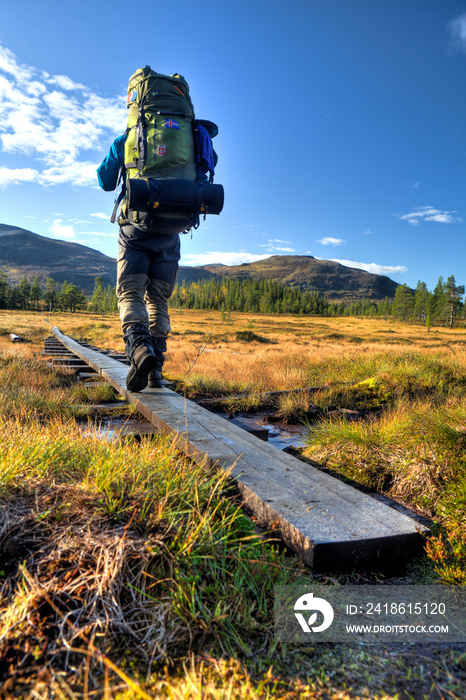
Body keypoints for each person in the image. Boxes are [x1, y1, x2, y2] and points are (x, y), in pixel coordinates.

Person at [97, 135, 180, 392]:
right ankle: (156, 369)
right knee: (158, 300)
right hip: (171, 231)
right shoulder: (190, 135)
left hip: (135, 227)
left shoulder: (128, 138)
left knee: (130, 292)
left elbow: (105, 181)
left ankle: (140, 349)